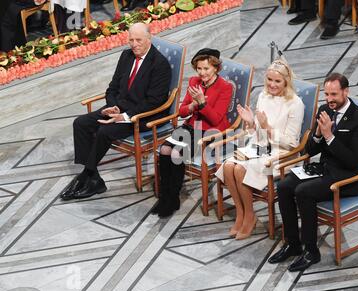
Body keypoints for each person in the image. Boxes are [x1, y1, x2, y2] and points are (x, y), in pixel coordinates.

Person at [268, 73, 358, 272]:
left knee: (303, 192)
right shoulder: (325, 110)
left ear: (346, 91)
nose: (329, 99)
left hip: (348, 177)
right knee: (283, 186)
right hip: (324, 169)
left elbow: (352, 161)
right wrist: (317, 134)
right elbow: (310, 151)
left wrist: (330, 137)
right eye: (326, 94)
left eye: (334, 94)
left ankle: (311, 251)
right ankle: (293, 244)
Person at [60, 23, 171, 201]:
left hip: (140, 116)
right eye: (131, 40)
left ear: (149, 39)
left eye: (138, 40)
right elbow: (112, 88)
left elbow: (154, 101)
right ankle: (94, 177)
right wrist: (114, 106)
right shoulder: (126, 56)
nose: (134, 44)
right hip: (119, 108)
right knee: (80, 123)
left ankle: (86, 175)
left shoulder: (159, 64)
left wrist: (125, 116)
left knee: (104, 132)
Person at [215, 60, 305, 240]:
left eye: (277, 81)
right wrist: (250, 122)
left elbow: (292, 143)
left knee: (240, 169)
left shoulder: (295, 103)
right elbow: (254, 130)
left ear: (286, 81)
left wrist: (268, 128)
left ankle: (250, 215)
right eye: (269, 79)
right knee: (228, 166)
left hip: (282, 154)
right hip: (258, 146)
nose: (272, 84)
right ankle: (241, 213)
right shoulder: (263, 96)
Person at [150, 48, 233, 218]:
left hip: (211, 131)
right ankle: (165, 196)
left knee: (175, 153)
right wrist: (193, 106)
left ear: (216, 68)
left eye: (206, 68)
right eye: (199, 68)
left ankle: (173, 198)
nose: (202, 73)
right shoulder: (194, 81)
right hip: (190, 127)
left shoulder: (225, 87)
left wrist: (202, 103)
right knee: (165, 150)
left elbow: (216, 119)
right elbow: (182, 112)